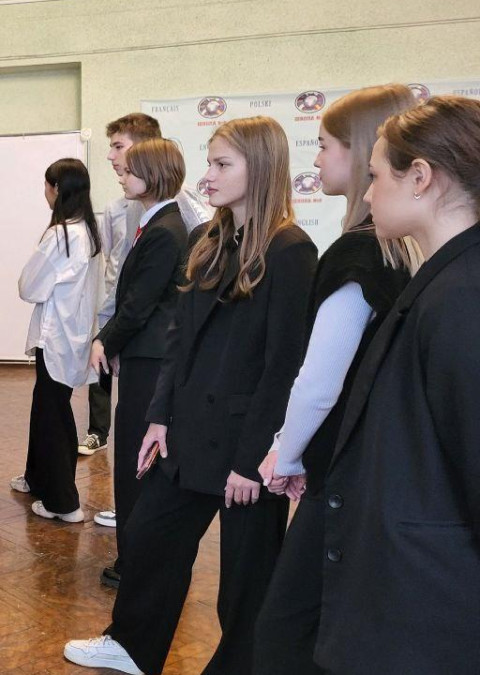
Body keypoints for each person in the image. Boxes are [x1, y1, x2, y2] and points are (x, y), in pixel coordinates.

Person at [65, 117, 318, 675]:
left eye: (222, 164)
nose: (207, 177)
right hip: (187, 434)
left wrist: (253, 461)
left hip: (246, 446)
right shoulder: (210, 239)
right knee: (151, 538)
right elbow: (179, 340)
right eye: (210, 163)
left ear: (262, 168)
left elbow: (285, 366)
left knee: (246, 582)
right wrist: (159, 418)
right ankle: (132, 646)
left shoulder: (290, 250)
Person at [251, 84, 416, 675]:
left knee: (284, 630)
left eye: (324, 145)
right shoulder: (402, 253)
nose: (316, 159)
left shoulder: (356, 253)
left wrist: (287, 452)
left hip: (342, 473)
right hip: (378, 471)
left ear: (362, 150)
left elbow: (319, 383)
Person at [315, 96, 480, 675]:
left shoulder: (462, 297)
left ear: (420, 177)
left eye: (377, 176)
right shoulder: (441, 281)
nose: (367, 194)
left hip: (432, 611)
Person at [90, 113, 209, 530]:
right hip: (145, 352)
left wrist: (106, 340)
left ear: (152, 174)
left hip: (152, 357)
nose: (121, 175)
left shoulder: (165, 229)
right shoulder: (154, 223)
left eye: (129, 169)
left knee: (136, 452)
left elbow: (139, 303)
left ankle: (135, 545)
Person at [10, 158, 103, 523]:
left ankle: (64, 503)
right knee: (46, 406)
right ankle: (37, 478)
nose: (45, 193)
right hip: (73, 335)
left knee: (53, 415)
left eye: (47, 186)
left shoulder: (62, 235)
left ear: (57, 189)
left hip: (56, 337)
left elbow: (28, 286)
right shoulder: (89, 231)